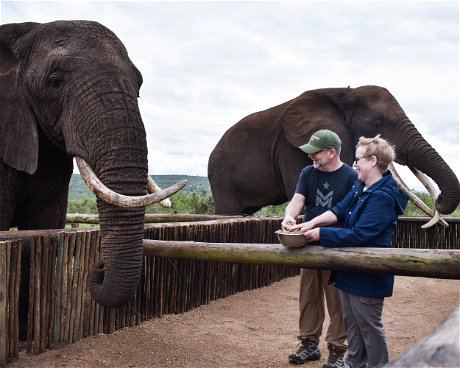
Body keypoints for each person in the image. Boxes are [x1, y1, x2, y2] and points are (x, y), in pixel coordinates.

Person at [289, 135, 409, 368]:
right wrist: (309, 224)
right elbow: (339, 210)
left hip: (369, 273)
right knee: (352, 322)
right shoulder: (361, 186)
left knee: (369, 326)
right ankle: (354, 363)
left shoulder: (383, 197)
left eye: (358, 160)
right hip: (351, 270)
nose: (354, 165)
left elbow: (360, 235)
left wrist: (321, 234)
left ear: (373, 161)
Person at [281, 129, 358, 367]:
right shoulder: (308, 173)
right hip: (307, 244)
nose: (310, 156)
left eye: (315, 153)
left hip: (335, 247)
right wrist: (288, 217)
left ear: (331, 152)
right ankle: (309, 344)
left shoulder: (351, 176)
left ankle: (337, 348)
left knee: (337, 300)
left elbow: (345, 213)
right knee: (308, 297)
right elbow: (298, 200)